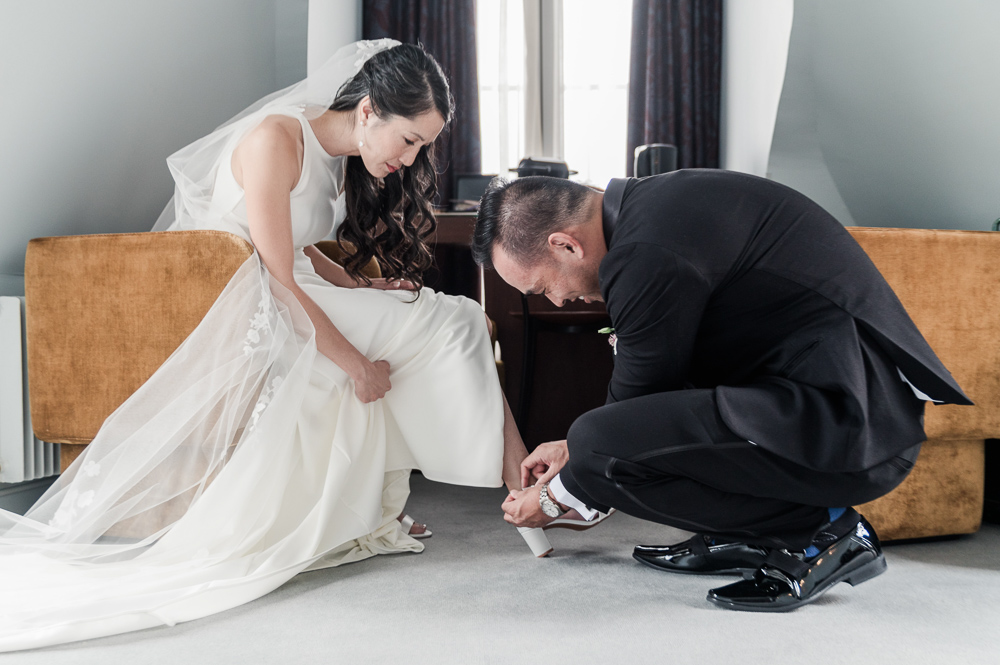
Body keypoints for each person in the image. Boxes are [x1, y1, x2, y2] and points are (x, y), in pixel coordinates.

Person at [0, 40, 551, 652]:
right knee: (456, 322)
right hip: (260, 296)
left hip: (295, 283)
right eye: (410, 139)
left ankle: (503, 490)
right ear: (368, 111)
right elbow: (277, 271)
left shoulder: (330, 153)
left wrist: (363, 283)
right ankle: (524, 492)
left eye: (423, 145)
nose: (412, 157)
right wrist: (356, 365)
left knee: (456, 320)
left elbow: (303, 246)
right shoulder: (274, 140)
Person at [472, 170, 971, 612]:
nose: (557, 301)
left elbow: (633, 409)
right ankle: (747, 534)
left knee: (599, 447)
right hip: (827, 406)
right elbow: (646, 388)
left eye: (542, 288)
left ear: (566, 244)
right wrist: (571, 452)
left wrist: (558, 496)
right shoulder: (658, 211)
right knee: (594, 440)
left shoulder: (647, 253)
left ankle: (822, 534)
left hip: (848, 429)